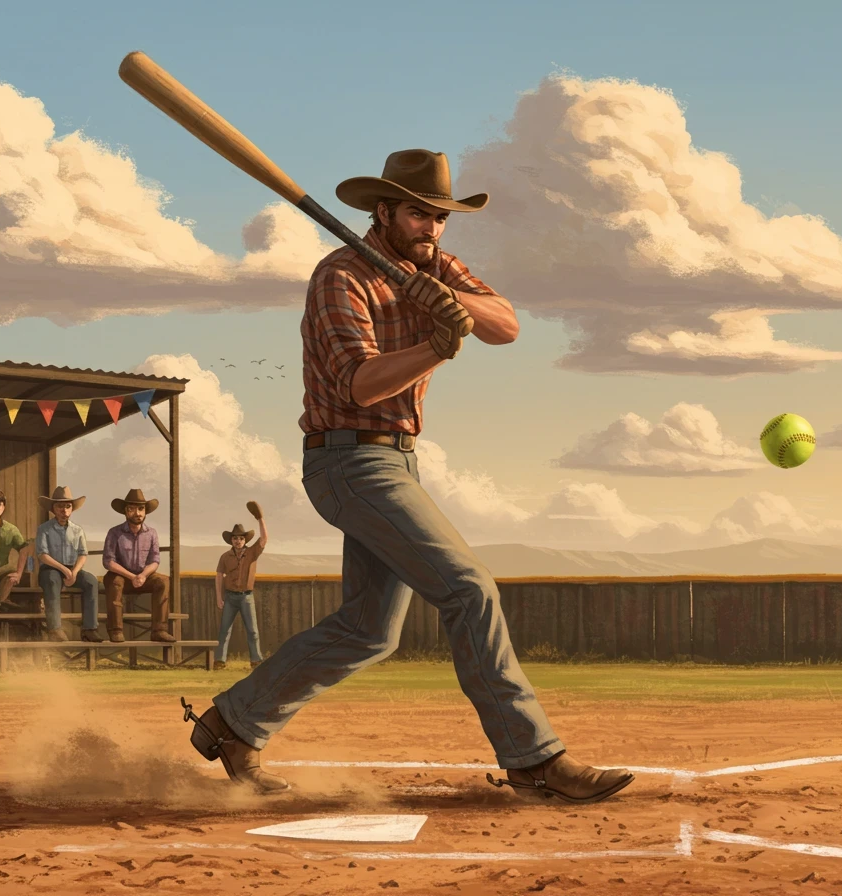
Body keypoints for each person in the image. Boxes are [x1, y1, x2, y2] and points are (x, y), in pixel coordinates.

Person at [189, 149, 634, 804]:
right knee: (468, 588)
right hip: (347, 457)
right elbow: (361, 385)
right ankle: (532, 758)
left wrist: (446, 297)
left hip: (396, 459)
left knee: (369, 630)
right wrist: (435, 346)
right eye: (420, 214)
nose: (431, 228)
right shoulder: (340, 278)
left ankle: (232, 722)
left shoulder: (431, 263)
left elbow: (506, 324)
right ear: (384, 211)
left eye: (440, 217)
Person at [102, 489, 173, 644]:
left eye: (141, 508)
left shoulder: (152, 533)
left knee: (163, 581)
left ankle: (159, 630)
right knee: (114, 582)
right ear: (126, 512)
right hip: (122, 576)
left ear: (145, 511)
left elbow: (155, 560)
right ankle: (116, 630)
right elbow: (108, 561)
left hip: (143, 577)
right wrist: (132, 576)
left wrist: (143, 575)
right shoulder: (114, 532)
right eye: (132, 509)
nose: (137, 513)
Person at [35, 486, 101, 643]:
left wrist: (75, 572)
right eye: (60, 506)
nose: (64, 510)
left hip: (73, 569)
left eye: (68, 506)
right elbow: (42, 554)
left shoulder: (77, 530)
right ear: (53, 509)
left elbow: (83, 553)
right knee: (51, 581)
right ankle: (55, 629)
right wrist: (64, 570)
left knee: (91, 581)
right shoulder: (44, 529)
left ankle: (89, 629)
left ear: (72, 509)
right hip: (51, 568)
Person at [214, 503, 267, 671]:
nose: (238, 541)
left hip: (246, 596)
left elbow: (264, 539)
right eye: (235, 538)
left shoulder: (252, 552)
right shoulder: (225, 556)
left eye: (241, 538)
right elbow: (218, 576)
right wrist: (219, 597)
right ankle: (219, 661)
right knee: (224, 630)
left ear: (245, 540)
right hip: (230, 597)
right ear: (232, 540)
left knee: (252, 631)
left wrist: (260, 519)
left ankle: (256, 660)